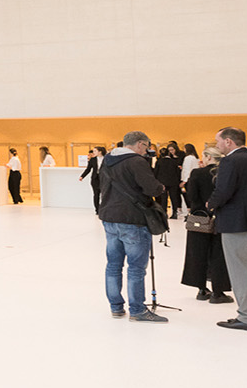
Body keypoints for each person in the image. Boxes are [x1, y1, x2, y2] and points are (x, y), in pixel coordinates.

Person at [96, 132, 168, 323]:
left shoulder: (107, 160)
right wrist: (161, 187)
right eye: (146, 147)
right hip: (133, 219)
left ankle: (116, 307)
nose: (146, 151)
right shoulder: (136, 161)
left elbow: (99, 185)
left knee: (113, 265)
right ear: (139, 144)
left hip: (109, 217)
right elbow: (152, 188)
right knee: (136, 268)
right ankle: (137, 310)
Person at [207, 127, 247, 331]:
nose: (216, 145)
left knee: (241, 270)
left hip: (236, 223)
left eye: (218, 141)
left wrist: (211, 204)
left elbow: (224, 190)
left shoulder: (230, 161)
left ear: (228, 141)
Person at [181, 148, 232, 304]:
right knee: (219, 253)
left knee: (197, 253)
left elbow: (191, 196)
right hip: (221, 217)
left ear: (208, 157)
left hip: (200, 217)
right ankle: (219, 291)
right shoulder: (225, 173)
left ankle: (201, 289)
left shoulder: (197, 173)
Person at [153, 144, 184, 219]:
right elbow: (177, 172)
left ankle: (164, 213)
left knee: (164, 198)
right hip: (173, 182)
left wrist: (156, 181)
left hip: (162, 182)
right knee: (174, 197)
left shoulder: (159, 162)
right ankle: (174, 213)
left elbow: (155, 172)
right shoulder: (173, 162)